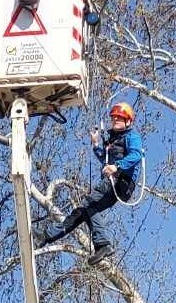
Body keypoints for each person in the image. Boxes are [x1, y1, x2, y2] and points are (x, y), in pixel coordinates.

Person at [34, 102, 144, 265]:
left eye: (119, 119)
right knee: (83, 211)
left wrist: (116, 166)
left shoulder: (131, 136)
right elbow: (104, 159)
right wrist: (96, 144)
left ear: (128, 121)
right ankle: (47, 236)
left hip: (122, 181)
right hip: (114, 180)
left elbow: (136, 155)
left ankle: (103, 244)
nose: (114, 121)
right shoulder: (113, 139)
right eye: (113, 118)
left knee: (89, 204)